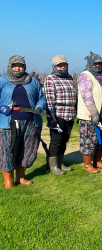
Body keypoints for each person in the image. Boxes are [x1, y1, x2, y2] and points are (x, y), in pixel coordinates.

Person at [0, 55, 46, 188]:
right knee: (8, 150)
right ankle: (8, 180)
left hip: (31, 121)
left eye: (20, 65)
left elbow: (41, 97)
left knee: (27, 149)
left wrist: (40, 107)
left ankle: (21, 177)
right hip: (8, 122)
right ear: (10, 66)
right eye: (15, 65)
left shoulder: (32, 81)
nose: (18, 67)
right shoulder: (3, 80)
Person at [77, 52, 102, 173]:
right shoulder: (86, 76)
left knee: (101, 139)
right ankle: (87, 164)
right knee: (89, 139)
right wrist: (94, 113)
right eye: (95, 63)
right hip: (90, 115)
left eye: (100, 63)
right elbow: (87, 96)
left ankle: (97, 161)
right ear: (90, 64)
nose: (98, 65)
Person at [44, 55, 77, 176]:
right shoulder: (50, 79)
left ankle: (61, 163)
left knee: (65, 139)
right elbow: (49, 98)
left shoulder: (69, 77)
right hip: (58, 113)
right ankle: (53, 166)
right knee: (56, 140)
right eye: (59, 65)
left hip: (70, 113)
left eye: (64, 65)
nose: (62, 67)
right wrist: (52, 116)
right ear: (54, 66)